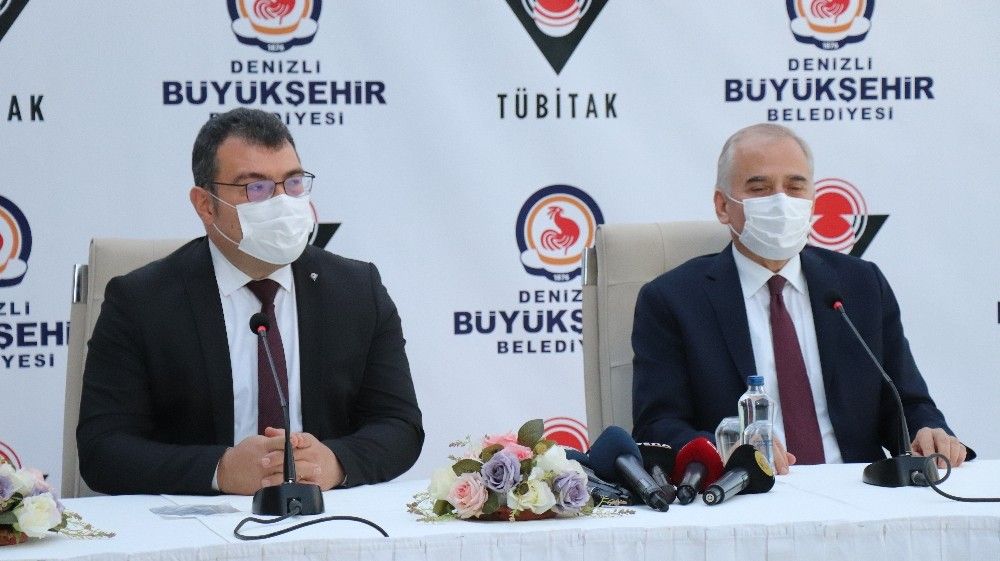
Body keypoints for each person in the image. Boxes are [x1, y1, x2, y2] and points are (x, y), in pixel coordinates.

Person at [77, 108, 423, 495]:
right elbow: (102, 450)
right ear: (206, 205)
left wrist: (335, 462)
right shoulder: (141, 302)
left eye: (293, 183)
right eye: (256, 188)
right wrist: (220, 470)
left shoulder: (357, 290)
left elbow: (400, 426)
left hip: (326, 516)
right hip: (197, 522)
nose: (282, 202)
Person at [631, 123, 971, 474]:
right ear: (722, 206)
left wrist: (927, 431)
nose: (781, 202)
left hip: (859, 487)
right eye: (759, 188)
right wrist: (727, 448)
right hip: (747, 490)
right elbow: (656, 427)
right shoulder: (673, 300)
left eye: (795, 187)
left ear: (811, 201)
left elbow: (907, 402)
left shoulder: (861, 285)